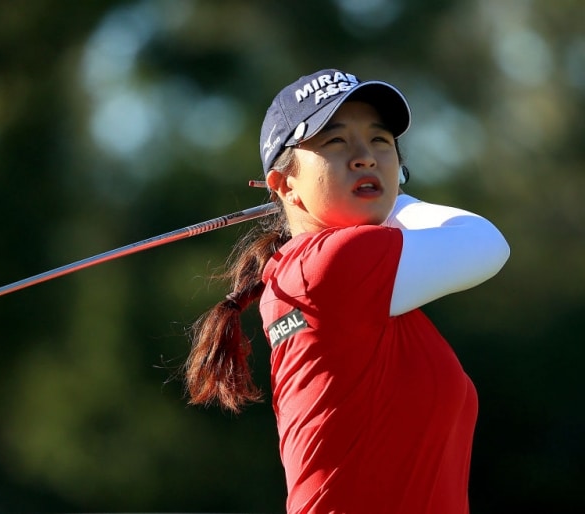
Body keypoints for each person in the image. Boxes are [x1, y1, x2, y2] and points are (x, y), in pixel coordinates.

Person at [182, 68, 510, 514]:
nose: (365, 157)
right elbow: (486, 244)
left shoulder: (310, 274)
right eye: (335, 141)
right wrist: (397, 199)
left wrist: (387, 198)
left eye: (380, 140)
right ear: (284, 184)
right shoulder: (329, 267)